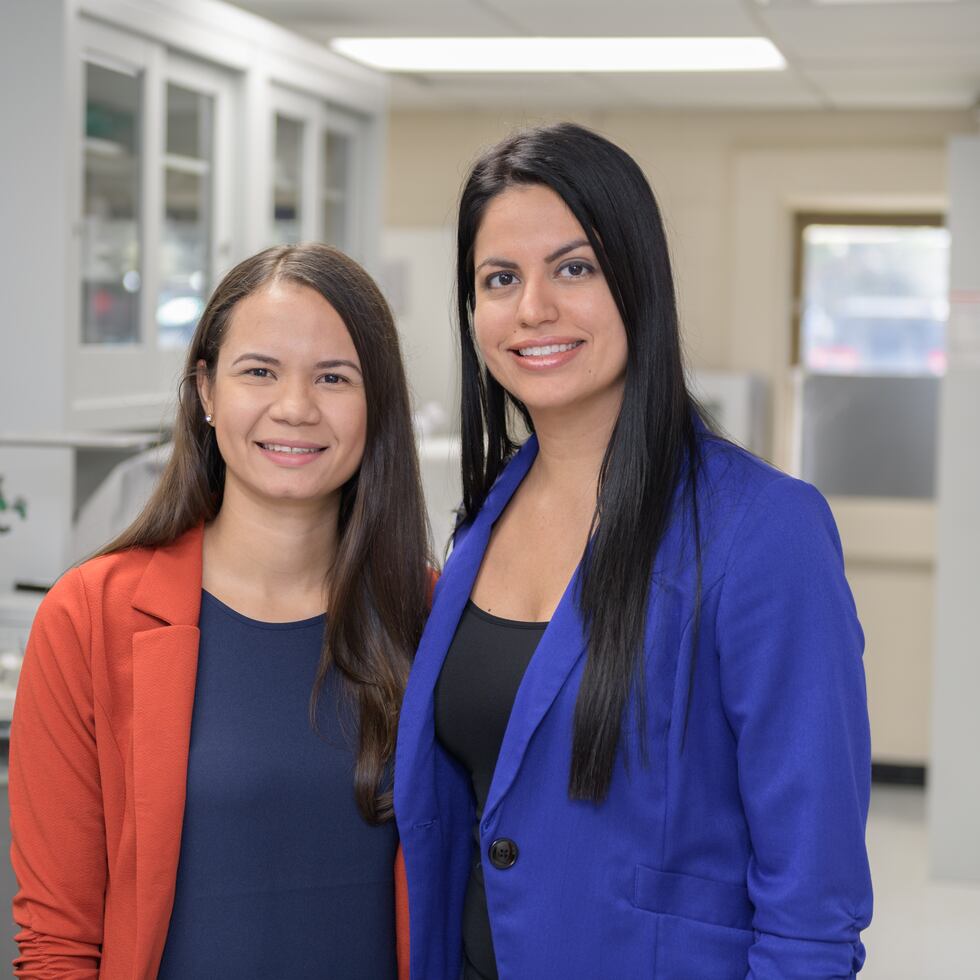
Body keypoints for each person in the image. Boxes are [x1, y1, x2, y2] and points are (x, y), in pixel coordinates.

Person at [394, 123, 873, 979]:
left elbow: (812, 902)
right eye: (499, 279)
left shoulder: (765, 531)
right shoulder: (484, 517)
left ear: (639, 279)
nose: (533, 308)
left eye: (574, 268)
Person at [10, 244, 429, 979]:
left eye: (334, 377)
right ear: (205, 390)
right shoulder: (89, 618)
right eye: (259, 371)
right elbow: (59, 942)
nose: (295, 407)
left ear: (377, 404)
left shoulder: (429, 615)